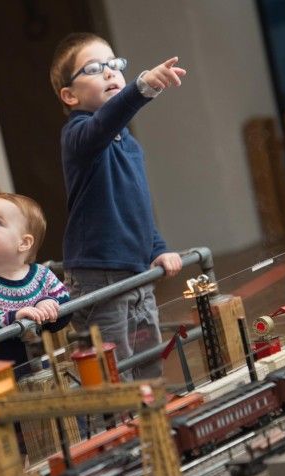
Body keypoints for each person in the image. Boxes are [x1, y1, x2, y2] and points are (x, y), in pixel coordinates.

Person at [49, 32, 185, 379]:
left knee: (148, 365)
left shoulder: (130, 143)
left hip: (137, 273)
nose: (109, 73)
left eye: (114, 65)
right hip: (99, 277)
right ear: (69, 95)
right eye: (95, 68)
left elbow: (136, 204)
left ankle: (155, 427)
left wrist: (157, 246)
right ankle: (123, 432)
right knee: (112, 373)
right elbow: (102, 125)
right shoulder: (78, 136)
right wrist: (139, 89)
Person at [0, 193, 71, 377]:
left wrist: (48, 303)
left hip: (49, 368)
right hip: (3, 376)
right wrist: (14, 317)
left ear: (24, 242)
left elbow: (67, 310)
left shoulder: (42, 275)